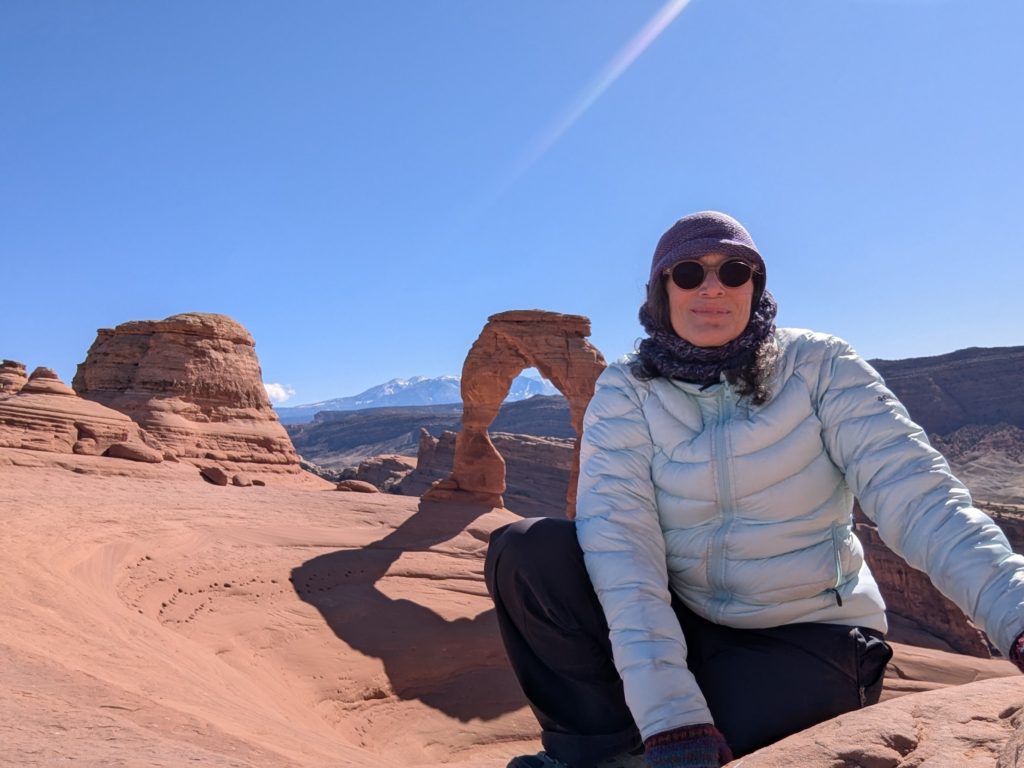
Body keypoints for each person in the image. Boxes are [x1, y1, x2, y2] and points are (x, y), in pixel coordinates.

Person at [484, 211, 1024, 768]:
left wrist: (1018, 616)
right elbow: (621, 546)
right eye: (689, 272)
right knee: (526, 550)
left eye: (735, 271)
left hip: (809, 635)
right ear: (662, 291)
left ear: (755, 287)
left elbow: (921, 499)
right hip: (690, 619)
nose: (712, 286)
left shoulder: (820, 366)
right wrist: (671, 719)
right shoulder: (629, 388)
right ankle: (593, 754)